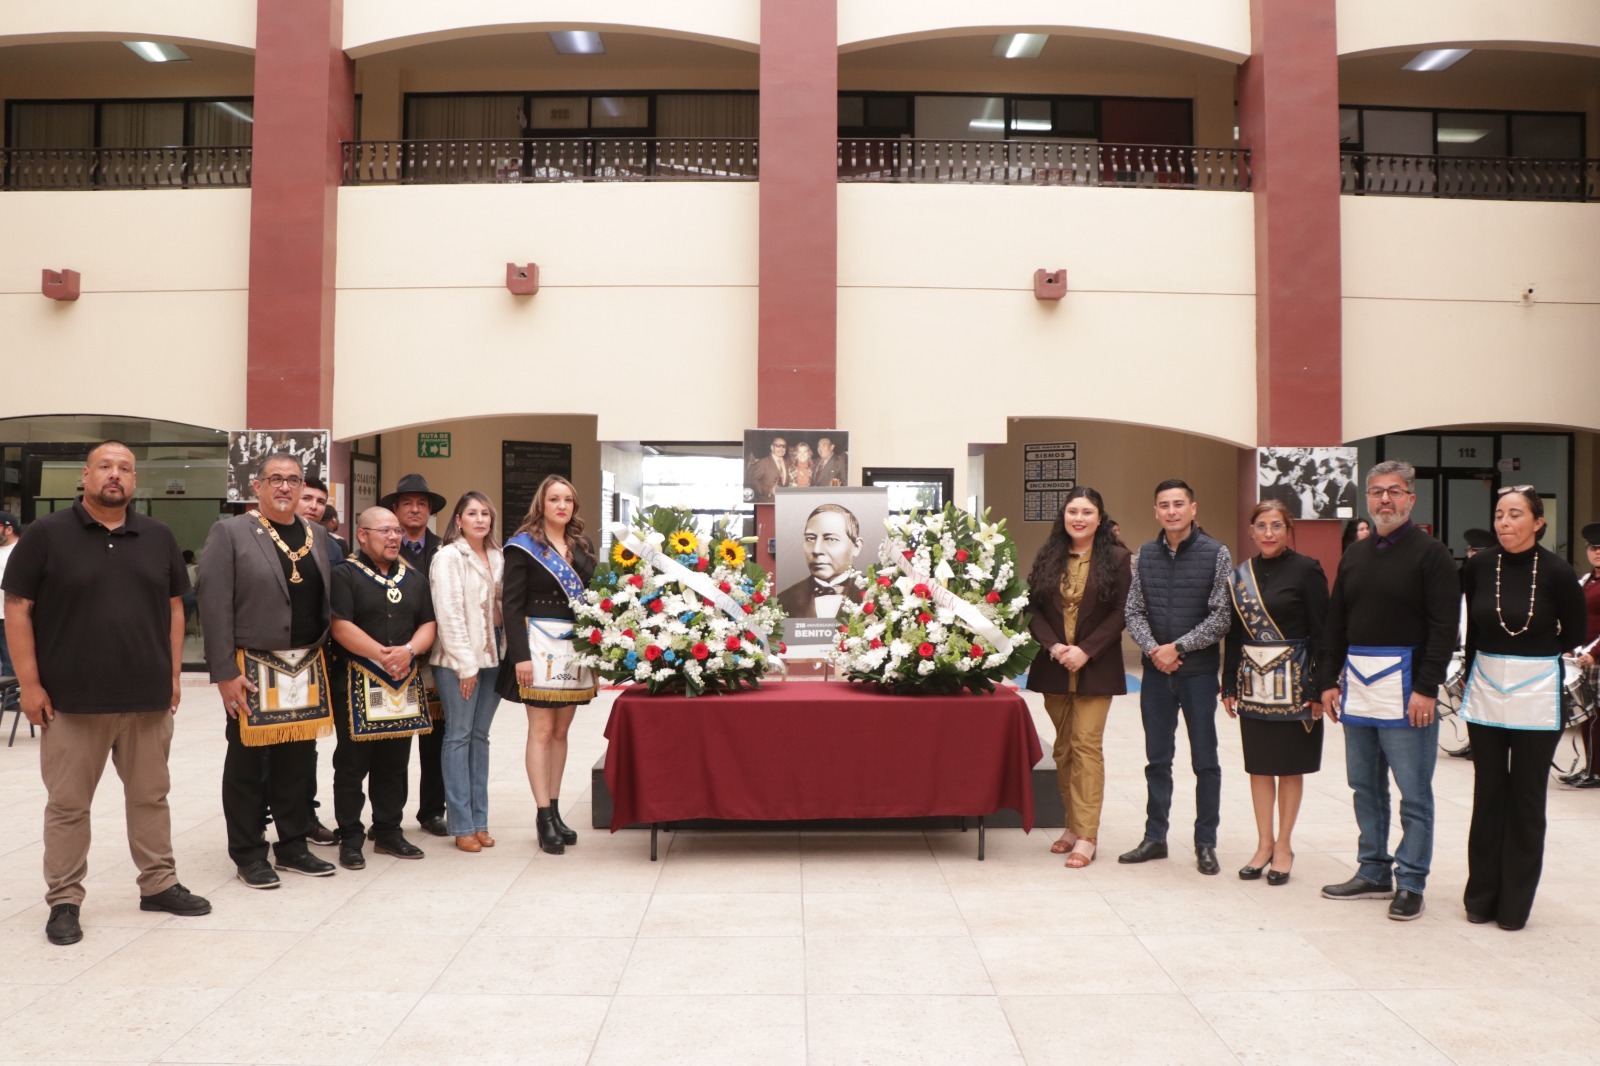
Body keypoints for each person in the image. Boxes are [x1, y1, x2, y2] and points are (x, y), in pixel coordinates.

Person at [2, 441, 211, 945]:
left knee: (150, 797)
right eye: (104, 467)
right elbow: (18, 608)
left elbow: (175, 608)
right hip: (72, 702)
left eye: (124, 469)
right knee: (68, 805)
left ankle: (158, 883)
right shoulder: (46, 535)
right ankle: (65, 900)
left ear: (134, 481)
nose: (114, 475)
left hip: (145, 699)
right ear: (85, 475)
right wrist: (29, 685)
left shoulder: (158, 536)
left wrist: (174, 675)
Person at [1318, 460, 1459, 921]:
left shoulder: (1431, 554)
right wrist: (1326, 680)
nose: (1384, 500)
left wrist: (1426, 688)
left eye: (1394, 492)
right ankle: (1374, 869)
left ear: (1411, 499)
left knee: (1413, 791)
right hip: (1358, 686)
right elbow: (1336, 622)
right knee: (1364, 785)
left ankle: (1412, 880)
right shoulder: (1355, 554)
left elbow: (1444, 628)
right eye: (1376, 492)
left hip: (1408, 690)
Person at [198, 452, 337, 888]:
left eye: (293, 480)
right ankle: (248, 852)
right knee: (247, 764)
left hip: (304, 668)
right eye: (275, 479)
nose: (284, 487)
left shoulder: (316, 534)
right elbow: (213, 604)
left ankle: (293, 845)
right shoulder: (231, 532)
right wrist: (223, 671)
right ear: (256, 486)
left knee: (297, 762)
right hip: (251, 668)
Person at [1458, 487, 1586, 929]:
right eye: (1499, 514)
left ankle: (1515, 905)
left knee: (1527, 799)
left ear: (1538, 522)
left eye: (1515, 514)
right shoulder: (1478, 566)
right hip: (1488, 690)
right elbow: (1471, 633)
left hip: (1537, 693)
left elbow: (1573, 636)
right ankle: (1481, 897)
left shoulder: (1557, 571)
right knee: (1488, 793)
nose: (1505, 522)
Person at [1120, 479, 1233, 875]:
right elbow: (1133, 611)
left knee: (1205, 761)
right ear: (1156, 511)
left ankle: (1206, 842)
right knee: (1157, 759)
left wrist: (1178, 648)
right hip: (1155, 676)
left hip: (1198, 674)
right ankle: (1155, 837)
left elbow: (1222, 615)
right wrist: (1155, 650)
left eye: (1179, 504)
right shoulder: (1145, 555)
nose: (1171, 511)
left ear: (1193, 509)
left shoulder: (1216, 552)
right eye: (1164, 505)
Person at [1221, 500, 1329, 886]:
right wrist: (1229, 682)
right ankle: (1263, 844)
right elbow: (1234, 634)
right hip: (1253, 684)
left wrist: (1319, 686)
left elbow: (1323, 629)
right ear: (1251, 531)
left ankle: (1284, 846)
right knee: (1260, 765)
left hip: (1297, 684)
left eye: (1276, 526)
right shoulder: (1239, 576)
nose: (1269, 533)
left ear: (1288, 530)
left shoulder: (1307, 570)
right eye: (1261, 526)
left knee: (1290, 765)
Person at [1025, 487, 1133, 869]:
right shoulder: (1049, 556)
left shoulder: (1119, 559)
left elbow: (1123, 611)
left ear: (1100, 518)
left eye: (1087, 512)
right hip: (1055, 665)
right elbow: (1033, 607)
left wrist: (1085, 650)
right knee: (1063, 749)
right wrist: (1055, 648)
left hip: (1095, 667)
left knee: (1086, 746)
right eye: (1073, 511)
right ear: (1064, 516)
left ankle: (1087, 835)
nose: (1079, 518)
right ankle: (1071, 825)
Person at [328, 506, 437, 869]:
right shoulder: (345, 574)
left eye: (396, 532)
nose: (394, 537)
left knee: (395, 762)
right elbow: (340, 624)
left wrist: (407, 651)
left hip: (402, 680)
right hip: (357, 677)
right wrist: (381, 654)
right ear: (362, 535)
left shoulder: (414, 578)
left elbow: (428, 624)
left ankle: (388, 830)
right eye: (385, 531)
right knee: (352, 763)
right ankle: (350, 836)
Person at [497, 475, 597, 855]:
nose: (562, 506)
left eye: (568, 500)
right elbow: (511, 604)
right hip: (536, 645)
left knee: (561, 731)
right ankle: (542, 815)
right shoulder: (523, 547)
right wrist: (520, 656)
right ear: (541, 504)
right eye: (554, 499)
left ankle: (555, 810)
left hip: (572, 646)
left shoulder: (580, 546)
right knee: (540, 730)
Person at [430, 492, 505, 853]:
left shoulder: (497, 556)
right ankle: (460, 825)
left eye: (485, 513)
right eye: (472, 513)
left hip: (494, 655)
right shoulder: (448, 557)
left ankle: (480, 821)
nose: (480, 519)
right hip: (459, 659)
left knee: (480, 737)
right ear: (458, 520)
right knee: (458, 736)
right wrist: (465, 665)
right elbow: (449, 613)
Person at [379, 473, 449, 837]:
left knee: (436, 739)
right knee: (394, 740)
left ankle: (432, 811)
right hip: (394, 658)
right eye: (407, 503)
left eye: (422, 504)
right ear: (396, 509)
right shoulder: (383, 548)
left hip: (437, 659)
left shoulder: (446, 548)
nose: (415, 509)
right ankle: (388, 817)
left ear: (430, 511)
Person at [292, 474, 341, 843]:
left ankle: (305, 816)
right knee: (261, 748)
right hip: (265, 657)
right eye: (306, 497)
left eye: (319, 501)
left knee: (306, 742)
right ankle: (261, 820)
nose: (312, 505)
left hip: (314, 657)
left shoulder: (329, 545)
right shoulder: (251, 537)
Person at [777, 503, 868, 619]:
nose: (816, 550)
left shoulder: (877, 595)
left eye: (831, 539)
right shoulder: (784, 600)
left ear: (856, 547)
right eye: (810, 538)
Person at [1564, 523, 1600, 788]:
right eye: (1593, 547)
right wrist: (1569, 645)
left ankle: (1597, 772)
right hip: (1582, 657)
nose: (1597, 552)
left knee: (1598, 717)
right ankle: (1590, 768)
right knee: (1587, 716)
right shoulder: (1587, 581)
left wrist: (1595, 653)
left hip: (1596, 659)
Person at [1, 510, 22, 676]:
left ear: (8, 529)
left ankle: (10, 701)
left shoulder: (23, 550)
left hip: (11, 617)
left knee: (11, 667)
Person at [748, 435, 788, 504]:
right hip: (767, 503)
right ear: (772, 447)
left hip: (783, 503)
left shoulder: (787, 463)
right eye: (778, 445)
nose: (781, 448)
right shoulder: (763, 462)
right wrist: (769, 490)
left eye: (783, 446)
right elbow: (753, 481)